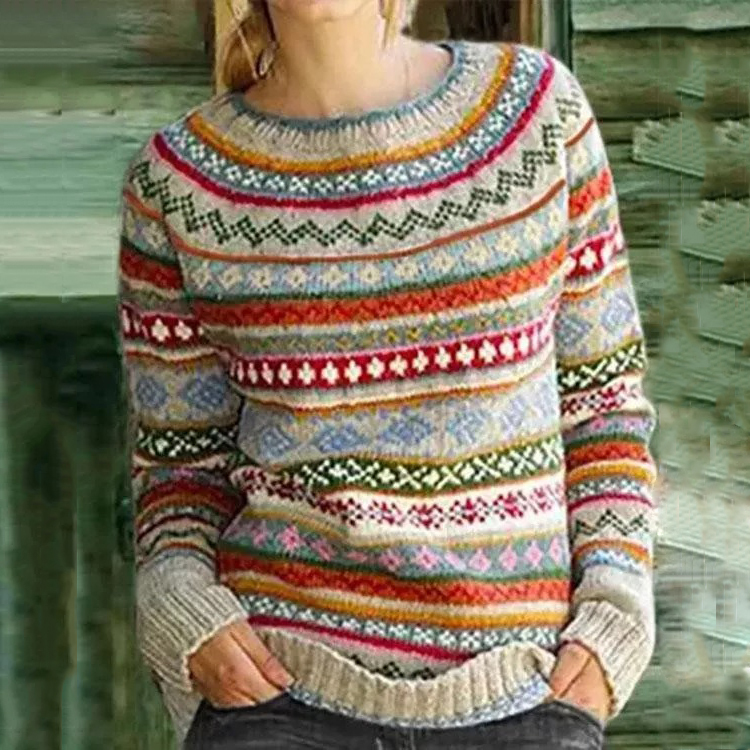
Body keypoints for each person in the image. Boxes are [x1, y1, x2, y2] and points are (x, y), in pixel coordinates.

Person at [116, 0, 658, 748]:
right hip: (279, 695)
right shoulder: (177, 183)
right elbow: (179, 470)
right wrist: (182, 606)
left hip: (525, 694)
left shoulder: (537, 114)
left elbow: (604, 409)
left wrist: (613, 618)